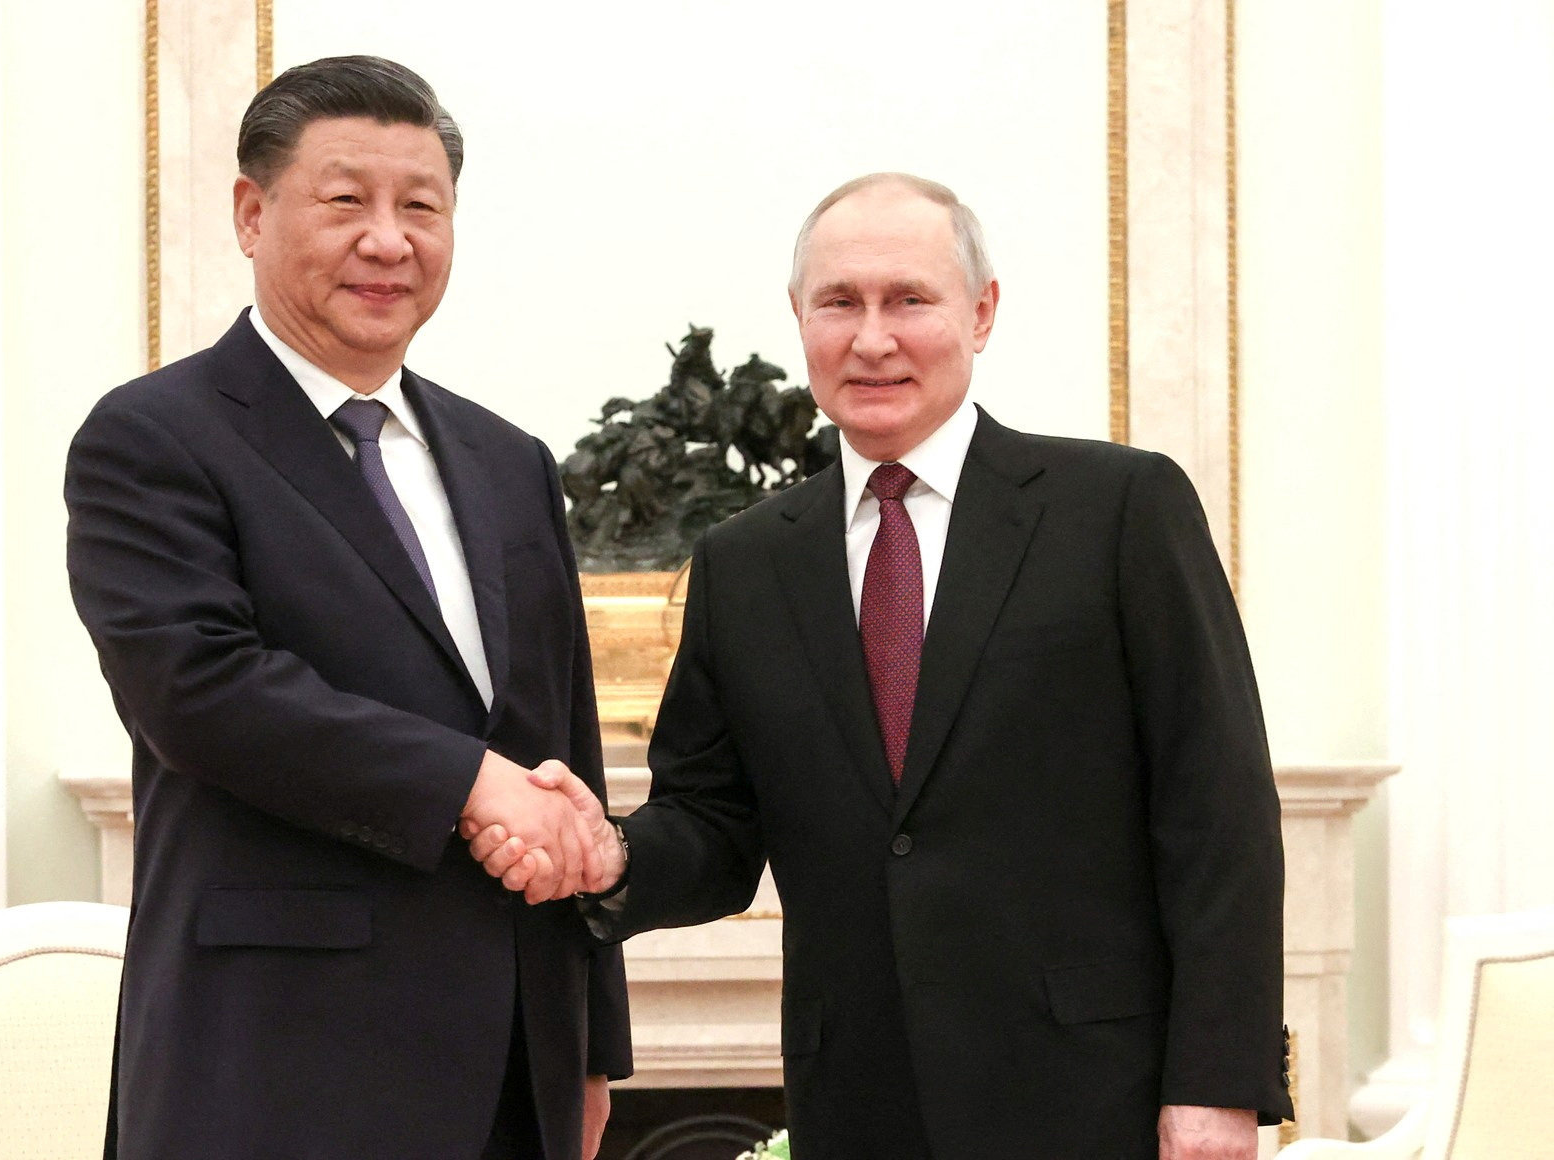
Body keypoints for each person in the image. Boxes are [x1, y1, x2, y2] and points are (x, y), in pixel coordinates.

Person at [470, 174, 1292, 1158]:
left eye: (908, 298)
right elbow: (714, 822)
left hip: (1092, 1098)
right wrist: (612, 854)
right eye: (838, 302)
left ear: (980, 312)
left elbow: (1216, 809)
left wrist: (1214, 1083)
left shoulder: (1118, 508)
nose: (870, 338)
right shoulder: (743, 561)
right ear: (798, 318)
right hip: (857, 1101)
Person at [65, 55, 630, 1160]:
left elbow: (560, 752)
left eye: (420, 206)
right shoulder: (153, 438)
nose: (388, 239)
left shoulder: (507, 459)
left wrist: (593, 1040)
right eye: (345, 201)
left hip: (518, 1066)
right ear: (249, 211)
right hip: (276, 1062)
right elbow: (200, 691)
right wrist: (464, 781)